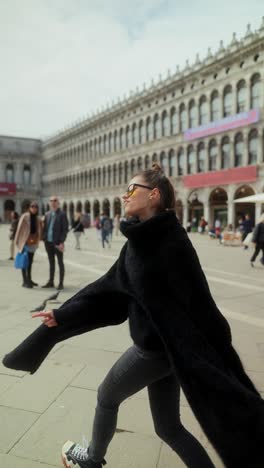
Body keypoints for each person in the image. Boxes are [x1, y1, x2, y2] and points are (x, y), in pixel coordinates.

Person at [3, 165, 264, 468]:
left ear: (153, 195)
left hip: (154, 351)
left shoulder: (170, 243)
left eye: (130, 190)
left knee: (105, 396)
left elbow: (199, 303)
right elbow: (109, 288)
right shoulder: (141, 241)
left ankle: (90, 460)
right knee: (168, 427)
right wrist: (63, 314)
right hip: (170, 352)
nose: (123, 196)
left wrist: (213, 353)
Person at [42, 196, 68, 290]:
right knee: (51, 262)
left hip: (57, 243)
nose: (53, 202)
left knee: (60, 263)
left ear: (58, 203)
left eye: (55, 200)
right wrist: (44, 238)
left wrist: (62, 242)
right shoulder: (47, 214)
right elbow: (45, 227)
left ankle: (61, 283)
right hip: (48, 242)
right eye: (51, 201)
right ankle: (51, 281)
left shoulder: (62, 214)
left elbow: (65, 229)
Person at [14, 202, 42, 288]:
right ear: (29, 208)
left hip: (33, 242)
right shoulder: (25, 216)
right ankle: (24, 281)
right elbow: (19, 229)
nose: (34, 208)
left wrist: (39, 239)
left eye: (35, 207)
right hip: (25, 242)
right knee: (24, 262)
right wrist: (17, 241)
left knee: (30, 262)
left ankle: (29, 279)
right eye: (32, 206)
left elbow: (39, 229)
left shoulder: (37, 218)